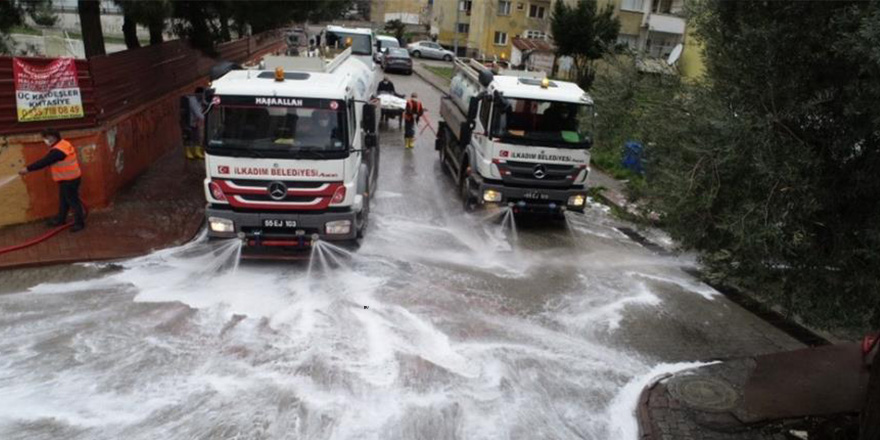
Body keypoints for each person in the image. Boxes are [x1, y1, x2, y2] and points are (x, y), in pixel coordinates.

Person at [18, 128, 86, 232]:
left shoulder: (58, 151)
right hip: (68, 178)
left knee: (73, 201)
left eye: (46, 138)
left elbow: (44, 162)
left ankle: (79, 223)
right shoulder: (63, 143)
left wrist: (27, 169)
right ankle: (61, 219)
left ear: (53, 137)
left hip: (69, 180)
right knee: (64, 200)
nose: (45, 140)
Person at [181, 87, 206, 160]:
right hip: (187, 120)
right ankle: (188, 151)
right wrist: (205, 118)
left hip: (194, 121)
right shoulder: (192, 100)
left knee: (196, 136)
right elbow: (197, 112)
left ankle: (196, 152)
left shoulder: (199, 100)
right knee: (188, 136)